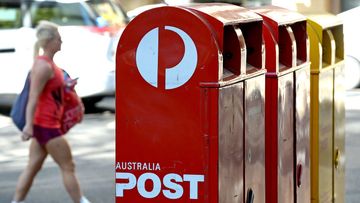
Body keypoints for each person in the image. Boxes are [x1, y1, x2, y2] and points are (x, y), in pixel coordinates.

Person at [12, 21, 90, 203]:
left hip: (45, 125)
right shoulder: (42, 66)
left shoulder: (50, 65)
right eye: (59, 38)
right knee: (68, 166)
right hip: (46, 125)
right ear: (50, 41)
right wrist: (28, 127)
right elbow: (33, 98)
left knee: (32, 167)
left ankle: (15, 202)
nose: (61, 42)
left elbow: (51, 93)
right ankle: (81, 201)